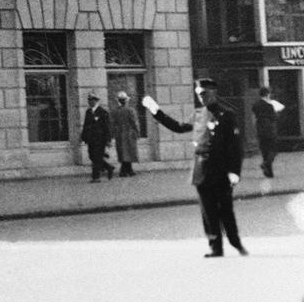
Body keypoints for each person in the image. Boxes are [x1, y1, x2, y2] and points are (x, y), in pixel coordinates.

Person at [144, 80, 246, 257]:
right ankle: (216, 247)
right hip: (202, 168)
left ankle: (235, 241)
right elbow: (179, 127)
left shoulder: (227, 114)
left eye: (204, 93)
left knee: (225, 209)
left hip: (221, 169)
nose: (201, 97)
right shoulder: (198, 114)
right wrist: (156, 112)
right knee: (208, 211)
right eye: (198, 94)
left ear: (213, 92)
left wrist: (235, 171)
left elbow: (235, 146)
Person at [252, 86, 283, 179]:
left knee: (264, 150)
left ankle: (269, 173)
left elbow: (254, 117)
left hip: (260, 128)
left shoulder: (255, 104)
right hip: (270, 129)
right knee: (273, 149)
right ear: (267, 94)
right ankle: (266, 164)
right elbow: (274, 117)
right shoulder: (270, 105)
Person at [79, 93, 112, 181]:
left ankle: (96, 177)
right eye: (89, 100)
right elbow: (86, 125)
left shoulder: (103, 112)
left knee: (97, 157)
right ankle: (108, 167)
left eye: (92, 100)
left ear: (96, 101)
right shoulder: (88, 112)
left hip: (100, 139)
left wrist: (108, 140)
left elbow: (107, 127)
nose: (90, 102)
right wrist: (83, 137)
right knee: (91, 156)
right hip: (91, 139)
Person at [110, 91, 141, 178]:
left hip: (119, 133)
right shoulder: (130, 110)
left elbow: (112, 123)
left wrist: (113, 133)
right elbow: (134, 122)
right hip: (129, 133)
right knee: (129, 151)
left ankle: (127, 169)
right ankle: (126, 170)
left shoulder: (115, 111)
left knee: (123, 152)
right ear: (126, 101)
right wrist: (137, 132)